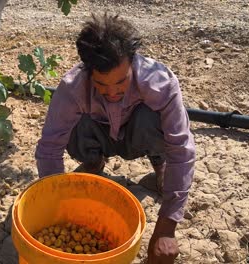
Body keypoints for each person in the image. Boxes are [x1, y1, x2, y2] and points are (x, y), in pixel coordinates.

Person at [35, 13, 195, 264]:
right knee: (73, 123)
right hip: (100, 134)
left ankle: (158, 163)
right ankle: (93, 162)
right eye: (101, 84)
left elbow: (182, 150)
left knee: (149, 117)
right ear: (88, 71)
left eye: (121, 82)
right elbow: (49, 148)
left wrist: (166, 229)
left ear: (133, 63)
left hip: (139, 135)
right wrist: (55, 207)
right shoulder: (72, 87)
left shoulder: (159, 83)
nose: (112, 92)